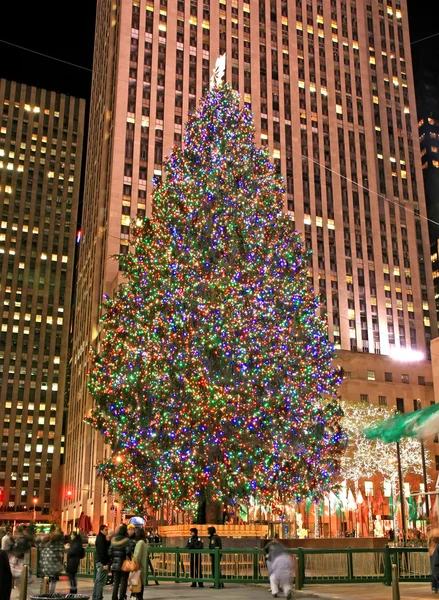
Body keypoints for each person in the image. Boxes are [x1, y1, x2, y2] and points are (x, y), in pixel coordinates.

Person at [108, 524, 132, 600]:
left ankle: (114, 597)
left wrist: (113, 558)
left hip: (115, 565)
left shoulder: (113, 540)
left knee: (116, 583)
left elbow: (109, 552)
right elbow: (128, 551)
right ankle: (121, 597)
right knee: (123, 582)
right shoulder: (126, 540)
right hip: (124, 565)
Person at [92, 524, 110, 600]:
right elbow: (102, 552)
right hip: (102, 562)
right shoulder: (101, 539)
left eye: (107, 530)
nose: (107, 531)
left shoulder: (100, 538)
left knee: (97, 580)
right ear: (101, 530)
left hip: (99, 561)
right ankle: (98, 597)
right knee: (100, 581)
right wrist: (105, 563)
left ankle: (95, 596)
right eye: (105, 530)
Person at [133, 528, 148, 599]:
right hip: (142, 566)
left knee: (137, 582)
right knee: (141, 583)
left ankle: (137, 597)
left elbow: (137, 555)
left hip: (138, 566)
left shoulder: (140, 543)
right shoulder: (145, 542)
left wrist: (135, 565)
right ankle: (140, 597)